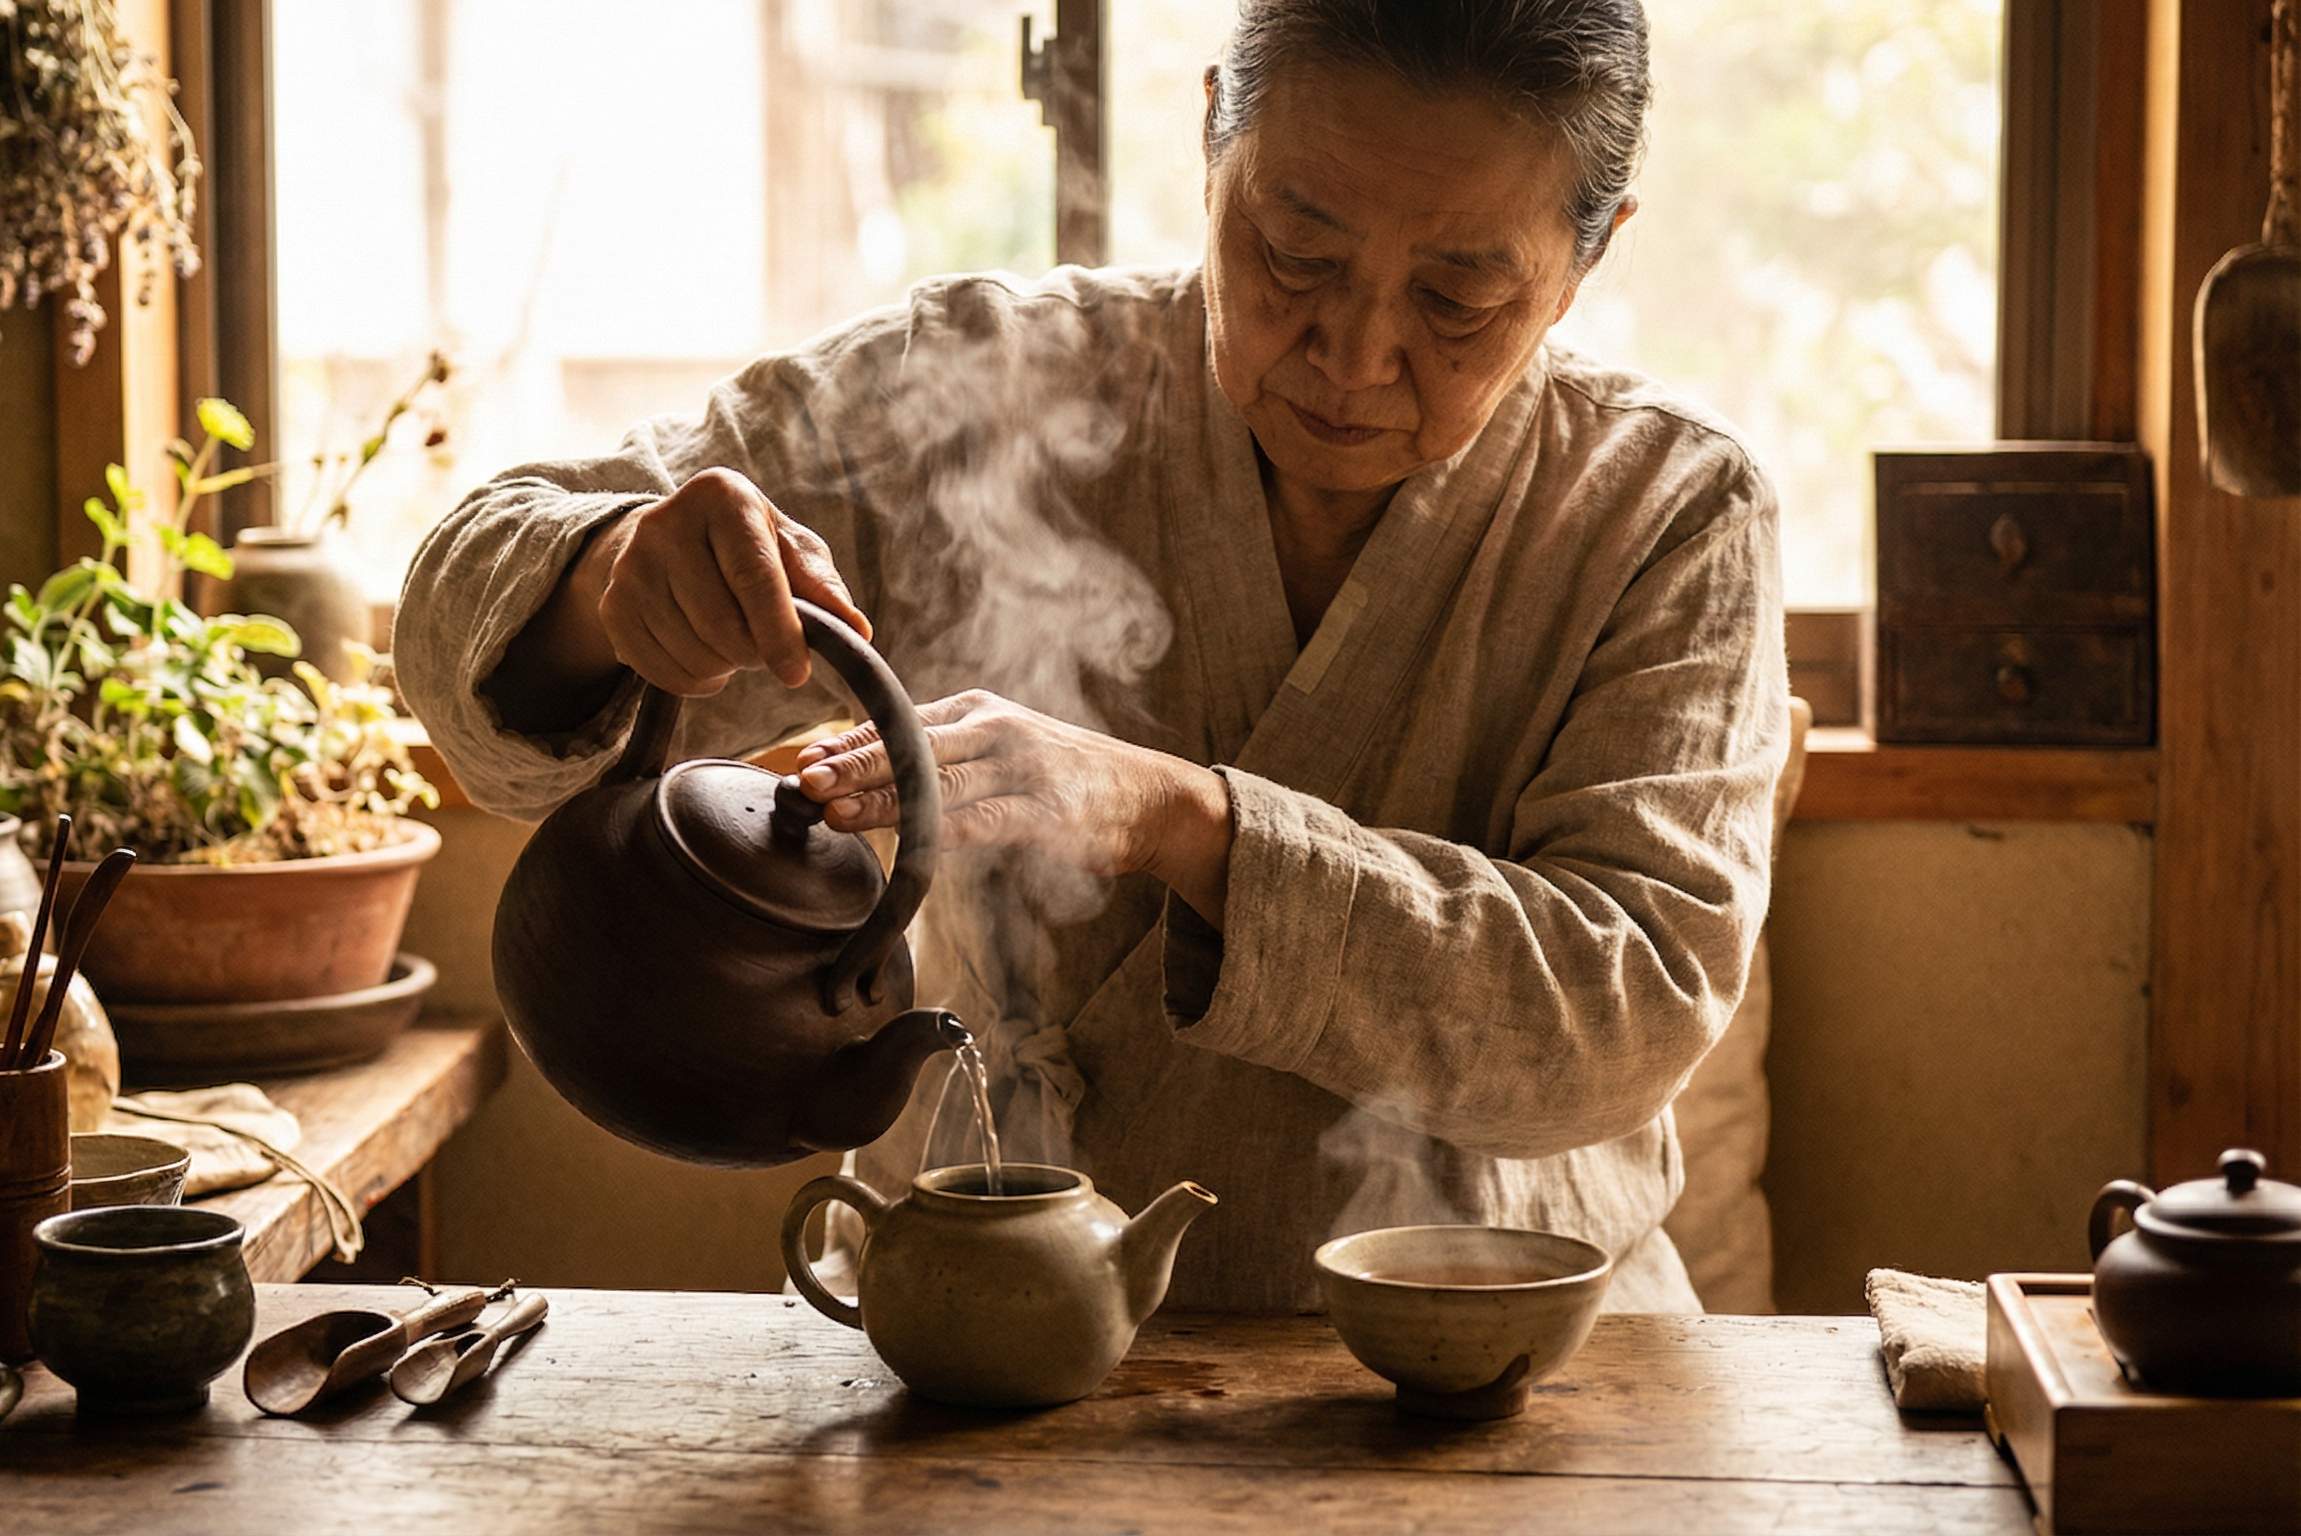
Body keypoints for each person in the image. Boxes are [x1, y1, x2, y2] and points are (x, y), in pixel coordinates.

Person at [398, 0, 1786, 1312]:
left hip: (1493, 1379)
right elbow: (469, 575)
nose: (1356, 354)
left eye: (1458, 299)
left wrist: (1176, 818)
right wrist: (607, 579)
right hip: (980, 1343)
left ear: (1586, 259)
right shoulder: (985, 383)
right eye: (1295, 255)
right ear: (1210, 143)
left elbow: (1630, 1001)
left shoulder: (1665, 509)